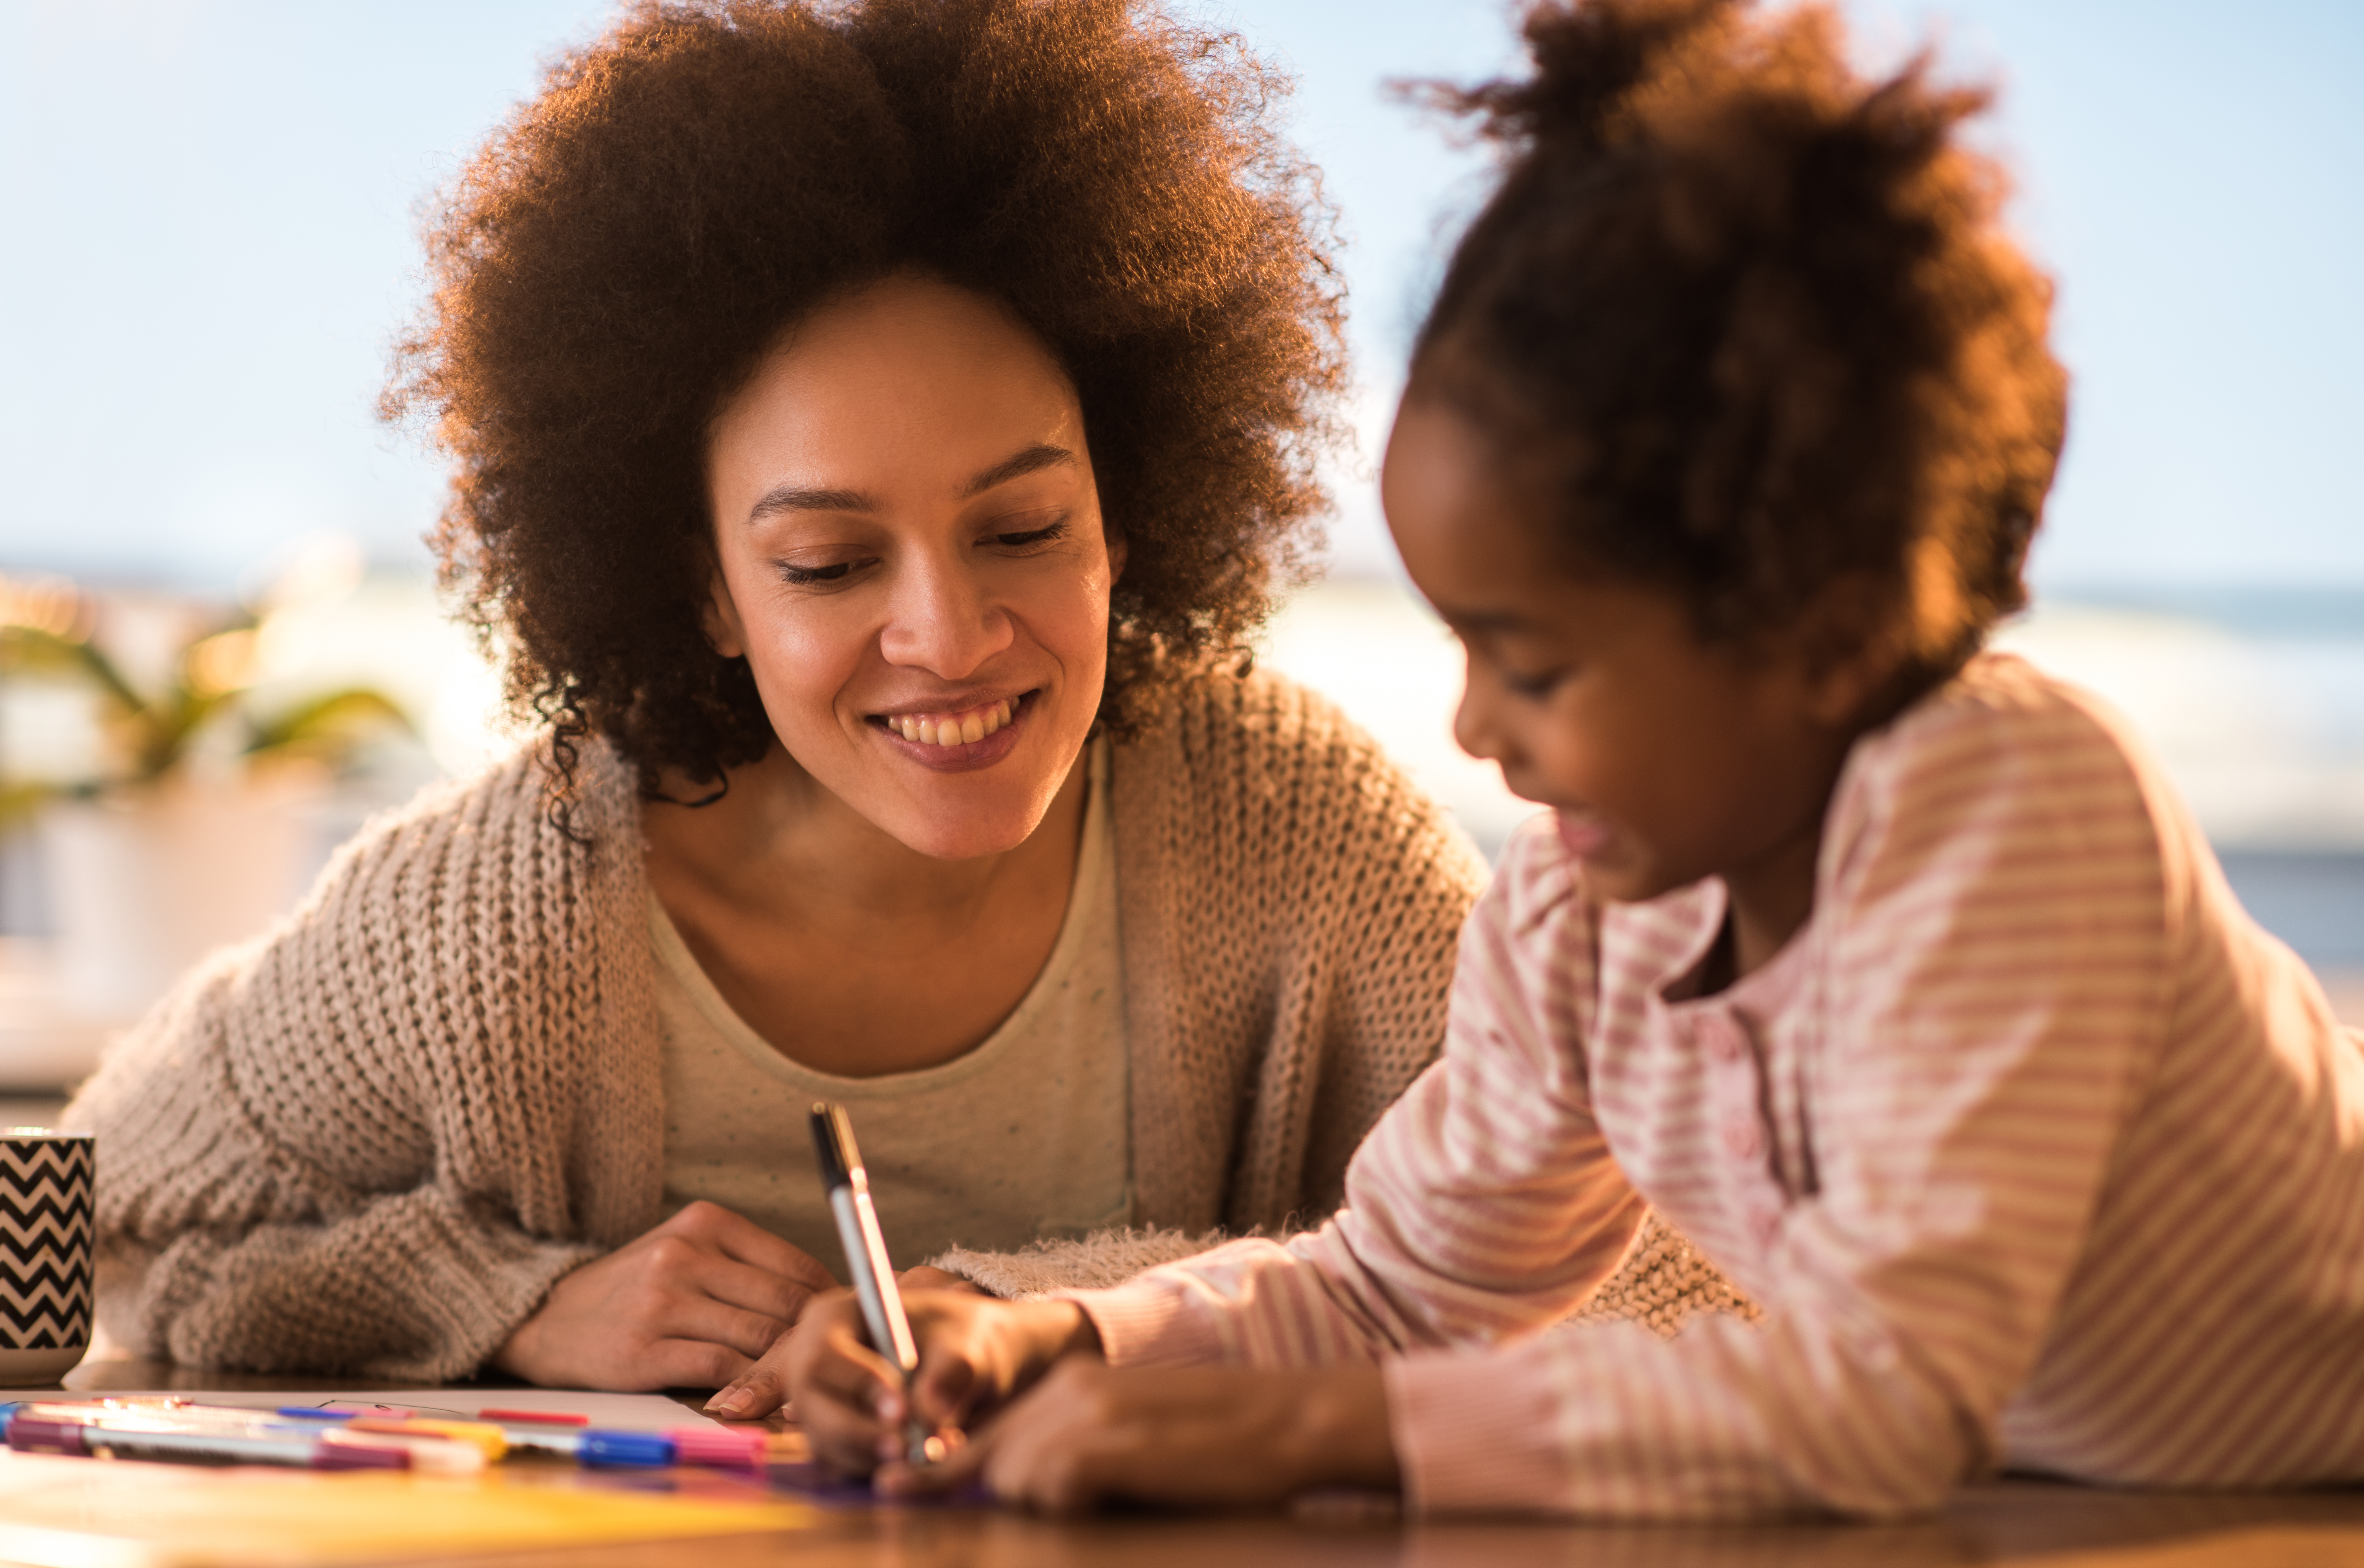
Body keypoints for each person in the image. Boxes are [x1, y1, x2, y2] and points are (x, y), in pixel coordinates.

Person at [783, 0, 2364, 1516]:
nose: (1474, 727)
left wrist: (1297, 1429)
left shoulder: (2008, 811)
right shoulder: (1581, 924)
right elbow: (1398, 1291)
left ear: (1815, 628)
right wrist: (1069, 1340)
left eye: (1532, 661)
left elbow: (1877, 1397)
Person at [61, 0, 1743, 1396]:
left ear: (1125, 512)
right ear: (705, 588)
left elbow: (1692, 1271)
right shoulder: (508, 922)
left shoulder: (1281, 827)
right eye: (827, 566)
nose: (947, 634)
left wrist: (1047, 1314)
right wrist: (509, 1307)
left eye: (1021, 527)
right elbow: (107, 1222)